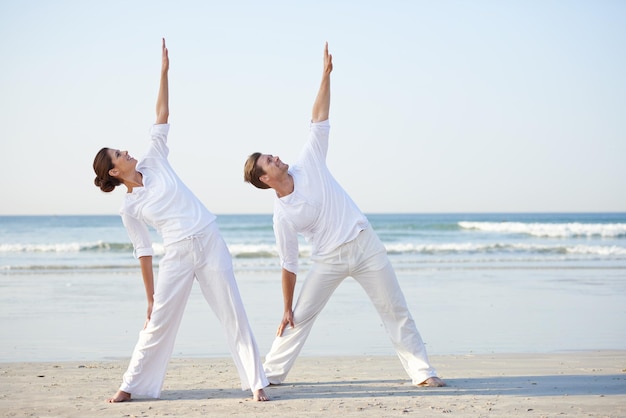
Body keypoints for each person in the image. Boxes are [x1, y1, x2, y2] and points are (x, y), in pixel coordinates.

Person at [243, 42, 445, 388]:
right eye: (268, 162)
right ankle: (270, 375)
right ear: (264, 179)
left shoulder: (309, 162)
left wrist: (325, 76)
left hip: (364, 245)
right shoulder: (283, 216)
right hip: (328, 261)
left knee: (395, 311)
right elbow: (288, 263)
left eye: (272, 155)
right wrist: (287, 306)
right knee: (300, 317)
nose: (276, 158)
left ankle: (423, 373)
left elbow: (318, 120)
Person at [93, 39, 269, 403]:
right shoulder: (129, 208)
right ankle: (130, 385)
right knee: (157, 322)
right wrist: (150, 296)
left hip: (208, 239)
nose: (127, 151)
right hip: (176, 254)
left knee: (232, 312)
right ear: (114, 170)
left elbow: (161, 114)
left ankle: (257, 382)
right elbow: (143, 251)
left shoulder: (154, 158)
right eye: (119, 153)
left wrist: (163, 72)